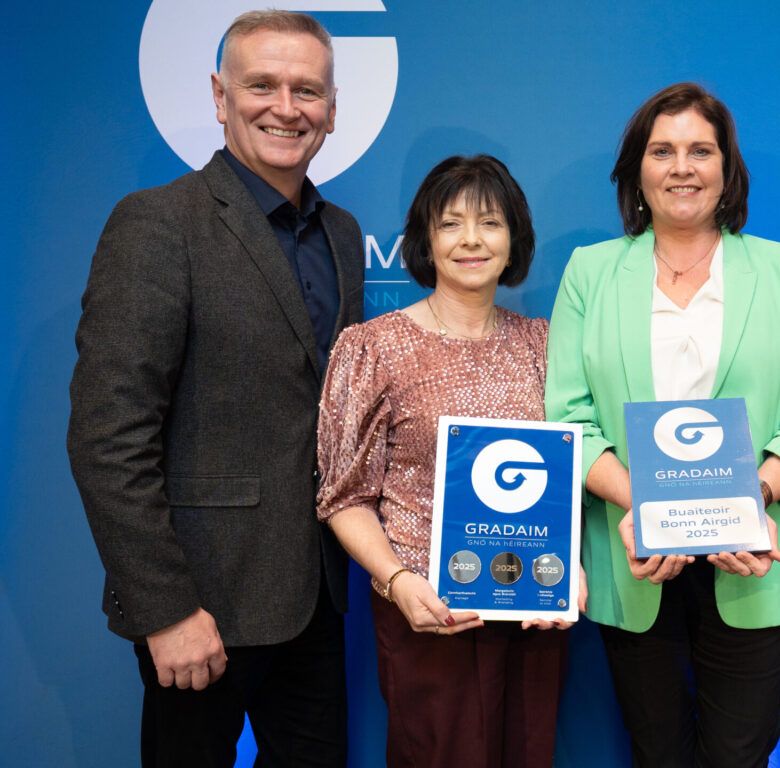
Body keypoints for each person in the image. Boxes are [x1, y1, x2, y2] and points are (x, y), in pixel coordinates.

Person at [66, 10, 360, 766]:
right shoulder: (159, 223)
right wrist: (166, 611)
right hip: (202, 605)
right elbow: (108, 435)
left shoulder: (343, 235)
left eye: (307, 90)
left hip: (319, 599)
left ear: (332, 108)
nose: (286, 108)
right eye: (261, 84)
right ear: (219, 95)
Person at [545, 82, 780, 767]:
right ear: (638, 170)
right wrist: (643, 504)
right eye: (663, 150)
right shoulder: (590, 273)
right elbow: (569, 418)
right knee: (657, 752)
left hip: (753, 561)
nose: (682, 166)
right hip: (634, 561)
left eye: (700, 150)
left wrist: (748, 501)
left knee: (739, 754)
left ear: (726, 169)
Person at [316, 154, 570, 767]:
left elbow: (568, 471)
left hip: (532, 614)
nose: (472, 240)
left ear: (515, 239)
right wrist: (398, 582)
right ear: (426, 240)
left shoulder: (543, 343)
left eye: (490, 223)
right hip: (428, 615)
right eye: (451, 224)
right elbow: (342, 496)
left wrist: (570, 569)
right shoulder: (373, 347)